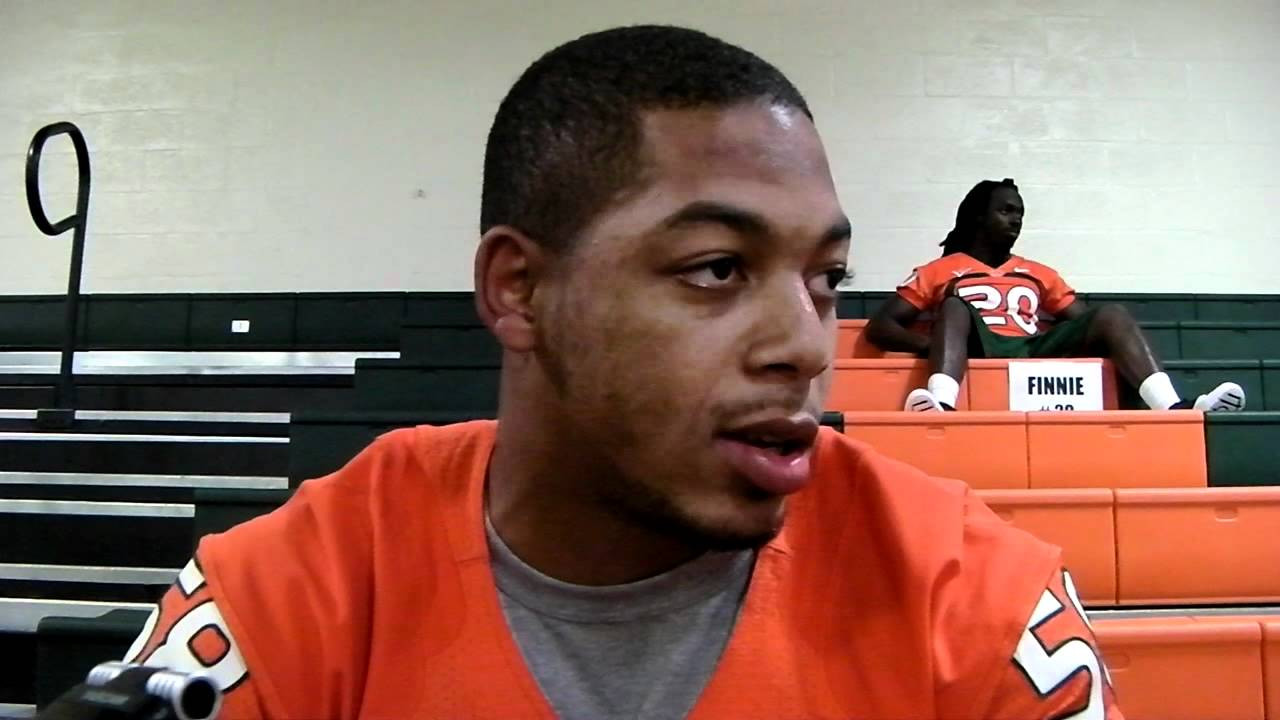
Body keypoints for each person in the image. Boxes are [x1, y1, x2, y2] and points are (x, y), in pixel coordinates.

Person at [116, 29, 1122, 719]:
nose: (807, 346)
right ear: (518, 291)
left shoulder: (977, 599)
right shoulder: (283, 599)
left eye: (825, 279)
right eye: (716, 269)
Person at [866, 178, 1247, 413]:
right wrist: (938, 345)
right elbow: (881, 326)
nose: (1016, 219)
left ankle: (1175, 408)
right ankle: (941, 405)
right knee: (953, 304)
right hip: (979, 343)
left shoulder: (1040, 271)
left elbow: (1086, 324)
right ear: (979, 217)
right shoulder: (941, 269)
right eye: (1006, 211)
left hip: (1032, 347)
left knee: (1111, 314)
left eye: (1020, 213)